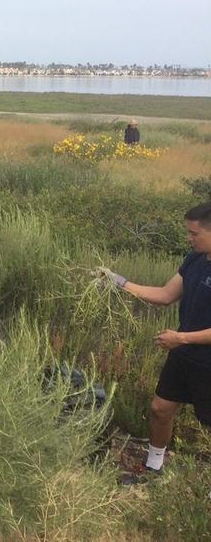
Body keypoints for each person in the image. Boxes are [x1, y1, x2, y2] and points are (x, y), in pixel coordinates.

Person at [99, 202, 211, 483]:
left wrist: (181, 337)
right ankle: (154, 468)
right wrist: (119, 282)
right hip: (184, 354)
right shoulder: (195, 259)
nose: (189, 238)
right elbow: (164, 294)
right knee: (160, 409)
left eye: (194, 233)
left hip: (203, 357)